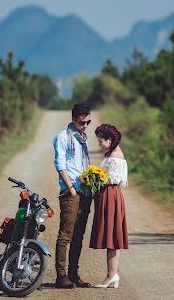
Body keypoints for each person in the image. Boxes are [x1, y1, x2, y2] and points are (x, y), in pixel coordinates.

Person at [53, 103, 92, 289]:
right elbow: (60, 165)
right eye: (82, 122)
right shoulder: (63, 137)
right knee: (65, 234)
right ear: (73, 120)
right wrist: (71, 188)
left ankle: (73, 274)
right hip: (71, 192)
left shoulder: (84, 138)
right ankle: (61, 276)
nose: (85, 126)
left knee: (79, 235)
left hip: (85, 192)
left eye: (88, 122)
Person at [90, 124, 129, 289]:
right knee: (111, 235)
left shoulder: (114, 156)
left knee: (112, 236)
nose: (99, 142)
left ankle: (111, 275)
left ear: (109, 139)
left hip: (110, 195)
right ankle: (112, 274)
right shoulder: (113, 154)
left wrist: (90, 179)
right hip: (110, 195)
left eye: (101, 140)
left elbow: (109, 179)